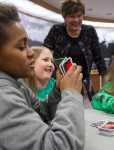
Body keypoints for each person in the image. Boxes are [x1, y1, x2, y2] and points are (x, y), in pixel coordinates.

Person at [0, 3, 84, 150]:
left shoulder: (17, 85)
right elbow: (60, 146)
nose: (31, 53)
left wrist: (58, 90)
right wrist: (71, 93)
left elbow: (41, 114)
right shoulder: (3, 94)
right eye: (21, 47)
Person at [43, 0, 106, 100]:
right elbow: (45, 52)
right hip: (59, 81)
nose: (76, 20)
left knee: (78, 108)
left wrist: (106, 81)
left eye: (79, 16)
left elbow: (98, 56)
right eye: (72, 16)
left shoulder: (89, 31)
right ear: (64, 17)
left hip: (82, 81)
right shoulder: (56, 30)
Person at [26, 46, 61, 122]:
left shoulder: (57, 87)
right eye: (45, 60)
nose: (51, 64)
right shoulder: (22, 90)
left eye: (52, 61)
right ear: (32, 62)